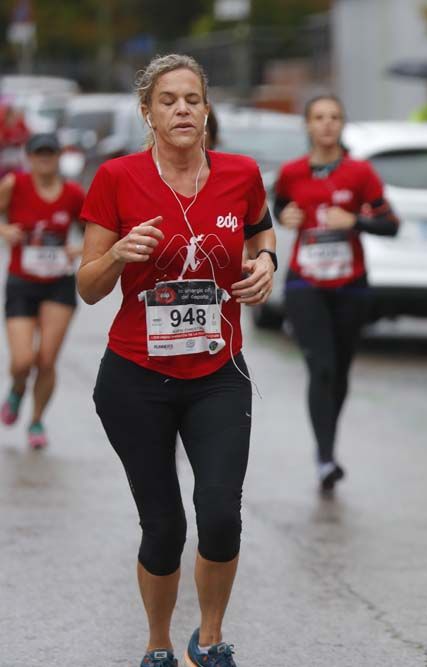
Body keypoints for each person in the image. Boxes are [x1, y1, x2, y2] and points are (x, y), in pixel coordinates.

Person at [77, 53, 276, 667]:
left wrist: (267, 262)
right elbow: (86, 285)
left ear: (207, 109)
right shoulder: (117, 178)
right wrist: (118, 257)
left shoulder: (241, 174)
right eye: (168, 101)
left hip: (218, 372)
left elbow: (261, 231)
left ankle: (209, 640)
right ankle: (158, 643)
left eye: (192, 98)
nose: (183, 109)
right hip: (135, 377)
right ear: (148, 113)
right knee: (163, 525)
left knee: (220, 513)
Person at [274, 94, 399, 494]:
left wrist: (356, 221)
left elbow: (391, 224)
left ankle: (328, 445)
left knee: (340, 371)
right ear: (308, 125)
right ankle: (325, 457)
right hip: (304, 283)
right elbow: (276, 209)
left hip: (351, 285)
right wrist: (284, 215)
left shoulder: (360, 173)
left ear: (342, 124)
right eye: (319, 117)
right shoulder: (292, 173)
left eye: (334, 117)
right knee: (321, 367)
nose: (327, 124)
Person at [0, 132, 86, 449]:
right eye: (39, 154)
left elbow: (96, 233)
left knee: (47, 360)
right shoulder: (15, 185)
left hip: (58, 284)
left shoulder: (74, 194)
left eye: (50, 153)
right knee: (23, 361)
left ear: (59, 156)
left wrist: (77, 250)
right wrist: (5, 230)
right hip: (22, 282)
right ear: (29, 157)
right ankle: (17, 389)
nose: (44, 159)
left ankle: (36, 421)